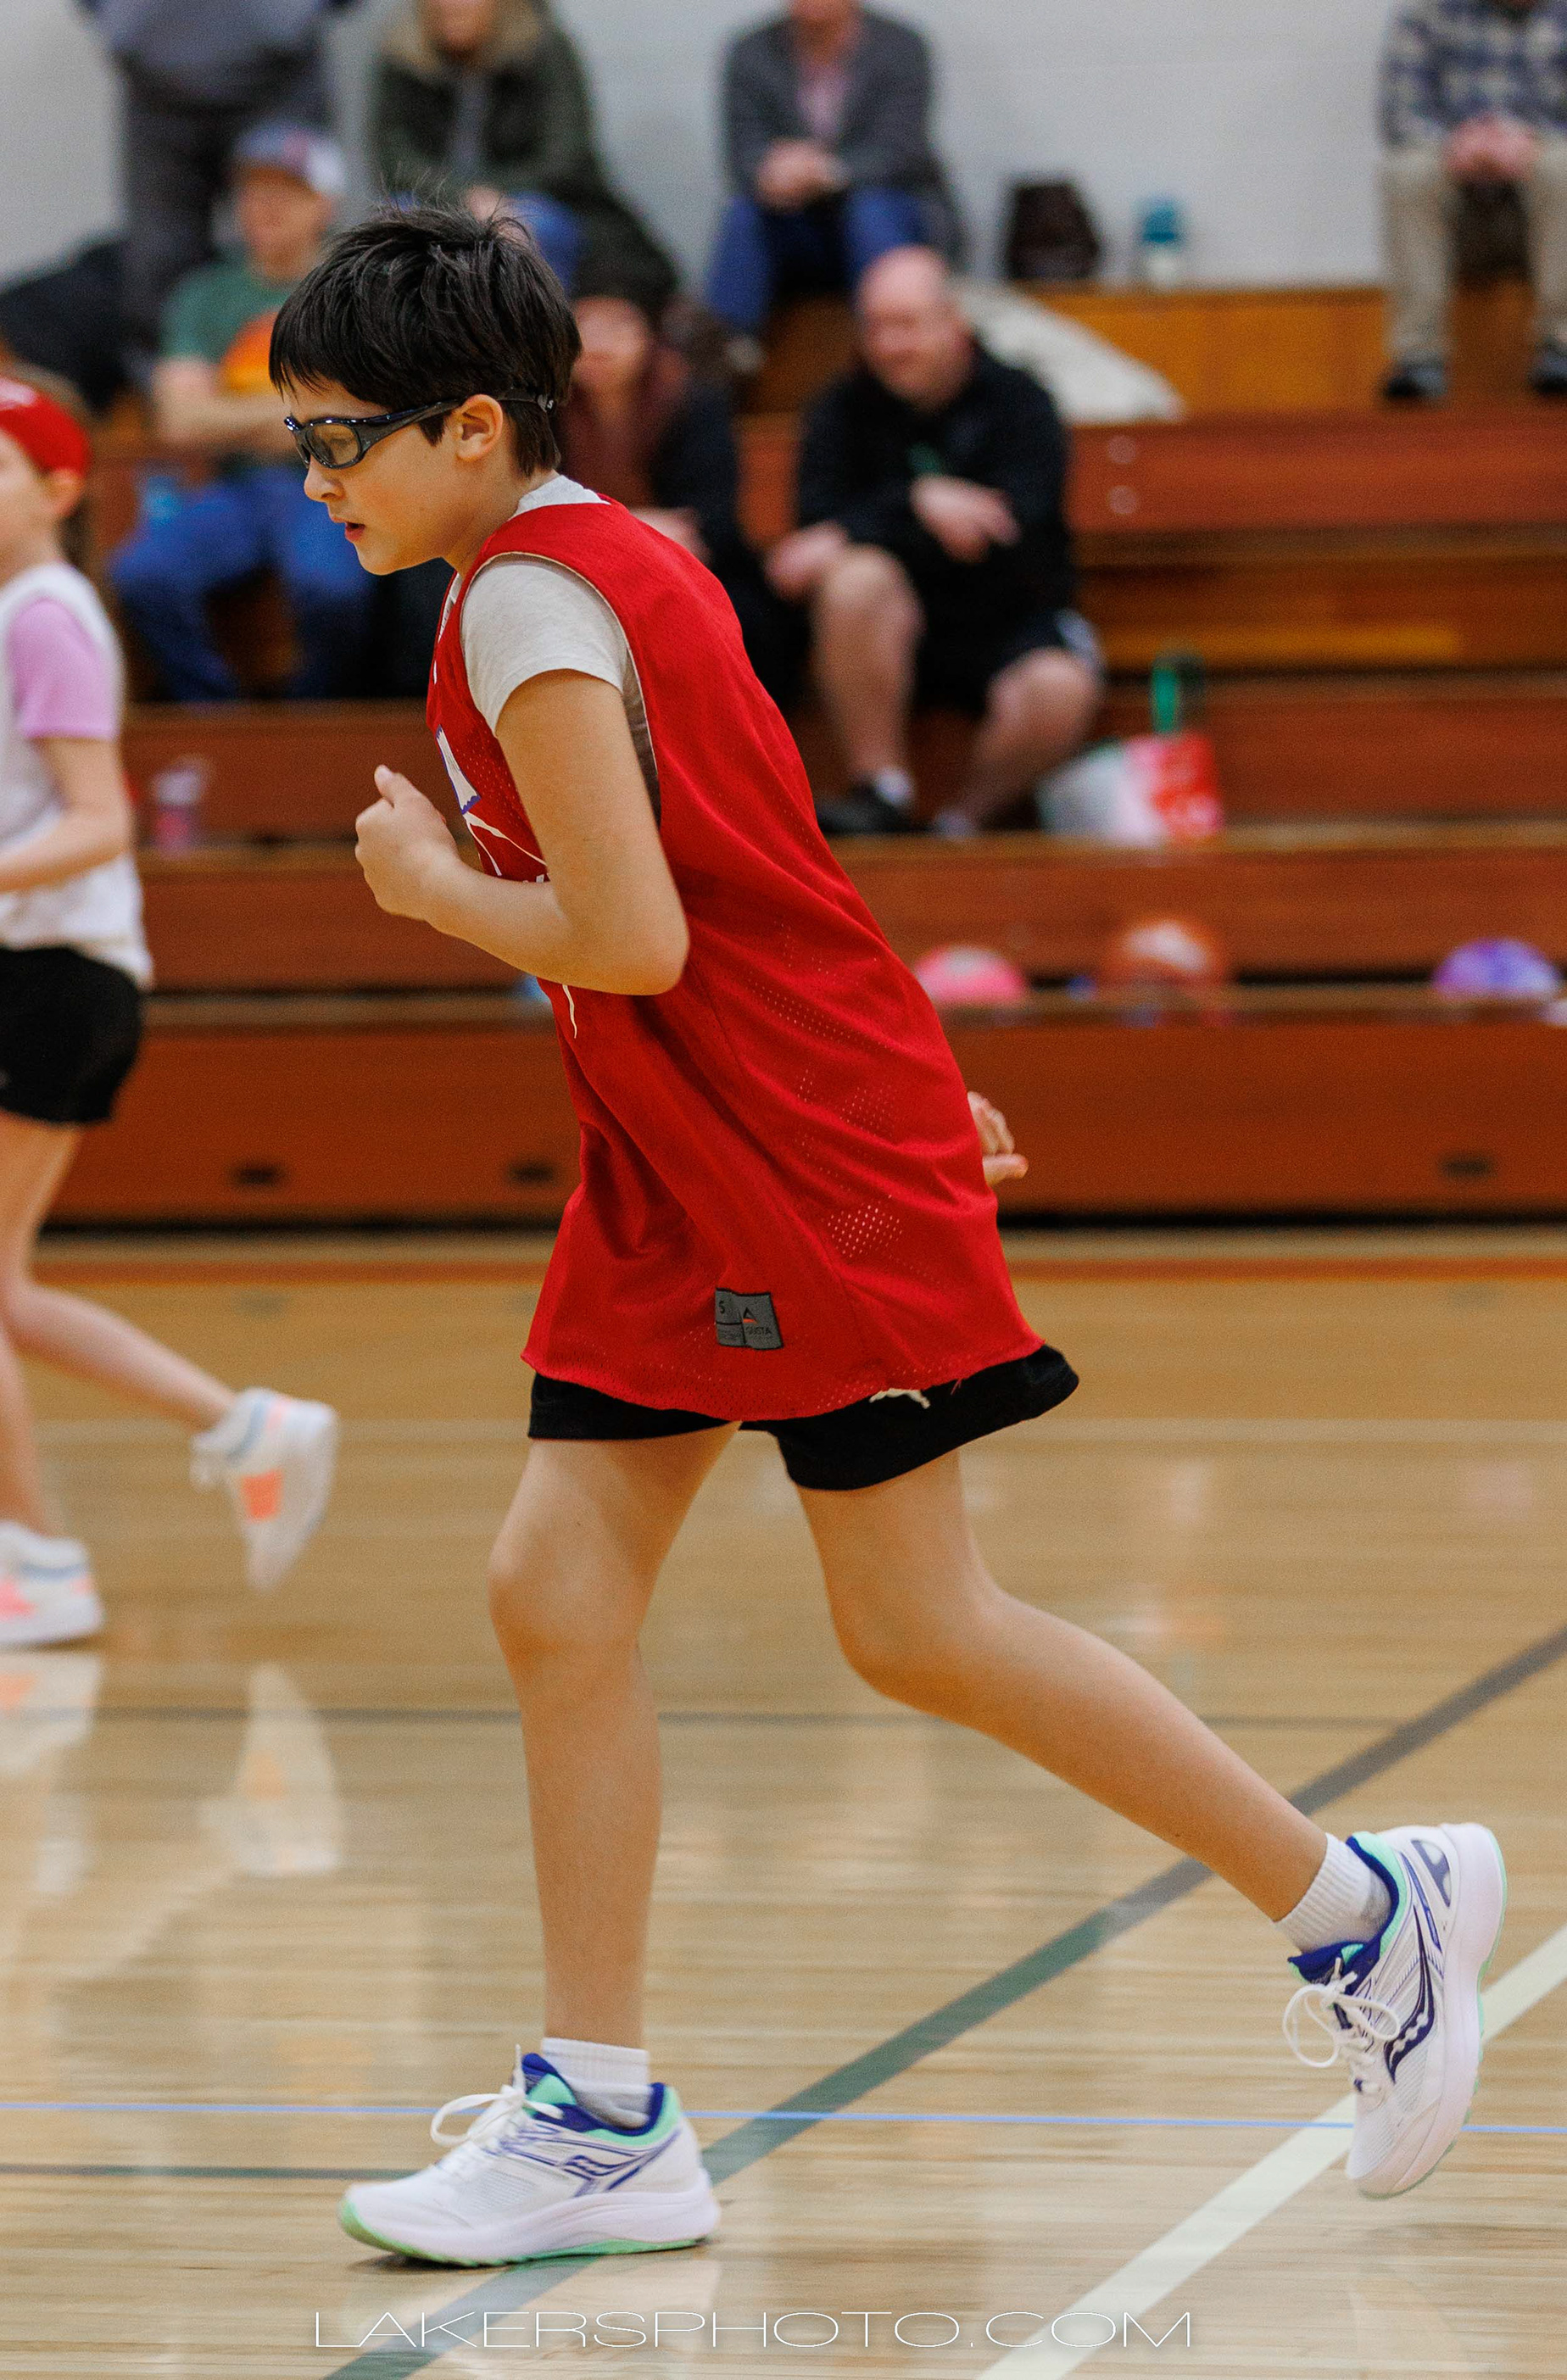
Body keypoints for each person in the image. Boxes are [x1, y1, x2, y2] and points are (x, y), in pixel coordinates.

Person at [256, 207, 1507, 2266]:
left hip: (768, 1154)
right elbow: (779, 881)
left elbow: (635, 934)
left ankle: (1360, 1912)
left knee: (919, 1623)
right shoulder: (594, 562)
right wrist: (910, 1085)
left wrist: (428, 887)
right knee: (556, 1590)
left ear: (472, 425)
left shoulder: (533, 604)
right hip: (696, 1149)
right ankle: (599, 2113)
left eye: (340, 441)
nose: (317, 483)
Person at [0, 370, 339, 1647]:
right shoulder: (1, 613)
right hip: (42, 970)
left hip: (37, 970)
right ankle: (247, 1427)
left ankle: (37, 1559)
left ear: (61, 488)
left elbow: (102, 818)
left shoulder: (46, 618)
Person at [767, 246, 1101, 837]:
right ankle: (882, 792)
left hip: (1006, 623)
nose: (890, 345)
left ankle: (961, 824)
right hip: (884, 634)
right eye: (875, 327)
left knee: (1060, 688)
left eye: (907, 325)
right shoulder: (838, 409)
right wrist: (919, 503)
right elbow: (810, 546)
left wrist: (873, 525)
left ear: (955, 322)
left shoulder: (1020, 402)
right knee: (854, 580)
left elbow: (1013, 537)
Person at [109, 125, 376, 703]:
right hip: (238, 488)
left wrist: (231, 415)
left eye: (288, 191)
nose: (265, 206)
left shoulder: (358, 289)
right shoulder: (204, 295)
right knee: (143, 573)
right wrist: (303, 414)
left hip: (335, 484)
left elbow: (363, 410)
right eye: (254, 191)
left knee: (332, 589)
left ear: (324, 204)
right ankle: (215, 717)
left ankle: (314, 724)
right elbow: (180, 420)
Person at [75, 0, 364, 362]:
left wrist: (292, 16)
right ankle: (172, 383)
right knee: (158, 264)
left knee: (298, 247)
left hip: (279, 80)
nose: (262, 204)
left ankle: (330, 376)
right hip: (156, 89)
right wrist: (126, 24)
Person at [558, 289, 803, 703]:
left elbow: (710, 524)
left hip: (691, 572)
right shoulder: (544, 410)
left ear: (649, 333)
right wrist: (632, 527)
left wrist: (596, 529)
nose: (597, 343)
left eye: (617, 324)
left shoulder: (694, 401)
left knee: (739, 619)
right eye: (585, 324)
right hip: (581, 575)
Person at [370, 0, 677, 313]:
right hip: (438, 198)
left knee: (525, 227)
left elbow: (564, 159)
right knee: (395, 227)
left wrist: (493, 196)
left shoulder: (541, 50)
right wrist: (466, 197)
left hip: (534, 199)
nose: (453, 5)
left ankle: (532, 329)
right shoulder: (403, 55)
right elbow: (393, 157)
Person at [706, 0, 961, 354]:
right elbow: (743, 157)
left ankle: (891, 340)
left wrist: (826, 171)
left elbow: (900, 152)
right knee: (746, 214)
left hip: (891, 216)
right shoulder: (751, 52)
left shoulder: (900, 46)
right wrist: (773, 172)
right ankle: (725, 354)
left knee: (871, 209)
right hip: (799, 225)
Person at [1380, 0, 1567, 399]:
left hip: (1543, 210)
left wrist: (1528, 142)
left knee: (1562, 164)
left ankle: (1562, 347)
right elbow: (1400, 116)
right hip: (1460, 212)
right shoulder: (1427, 14)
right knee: (1408, 171)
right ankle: (1418, 358)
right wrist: (1461, 146)